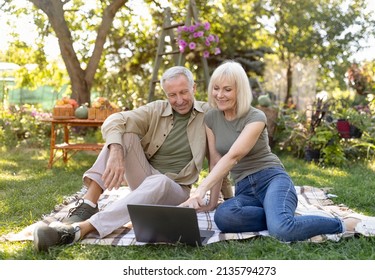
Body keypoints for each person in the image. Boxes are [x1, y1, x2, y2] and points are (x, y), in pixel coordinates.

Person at [33, 66, 228, 252]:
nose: (179, 100)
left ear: (194, 88)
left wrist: (222, 199)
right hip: (145, 181)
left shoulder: (209, 115)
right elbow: (115, 120)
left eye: (184, 92)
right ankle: (88, 204)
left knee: (160, 181)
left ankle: (80, 229)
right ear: (165, 95)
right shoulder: (156, 110)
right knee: (122, 135)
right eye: (172, 95)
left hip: (175, 191)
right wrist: (116, 150)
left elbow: (217, 159)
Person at [180, 60, 357, 242]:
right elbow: (216, 162)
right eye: (216, 88)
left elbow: (233, 157)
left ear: (239, 91)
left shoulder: (256, 117)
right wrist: (210, 203)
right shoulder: (211, 118)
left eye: (227, 89)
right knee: (224, 217)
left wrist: (200, 190)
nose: (219, 95)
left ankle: (342, 224)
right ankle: (276, 215)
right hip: (244, 189)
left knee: (282, 231)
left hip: (272, 179)